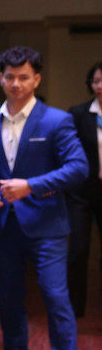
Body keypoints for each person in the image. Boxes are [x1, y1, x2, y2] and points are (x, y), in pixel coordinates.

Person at [0, 46, 88, 350]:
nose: (16, 84)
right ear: (0, 78)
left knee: (55, 297)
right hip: (4, 223)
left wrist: (31, 185)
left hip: (47, 225)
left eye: (24, 77)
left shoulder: (56, 120)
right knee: (8, 298)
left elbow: (79, 167)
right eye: (9, 77)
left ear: (37, 79)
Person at [66, 61, 102, 318]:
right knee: (78, 249)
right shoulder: (78, 114)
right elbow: (68, 152)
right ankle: (74, 308)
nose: (100, 86)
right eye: (96, 81)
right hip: (81, 192)